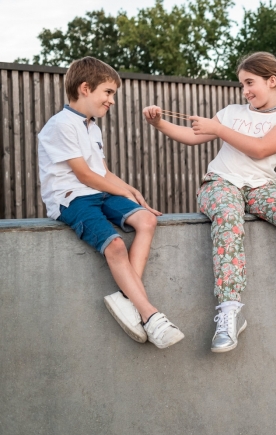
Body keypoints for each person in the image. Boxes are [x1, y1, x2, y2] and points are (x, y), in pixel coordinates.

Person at [144, 52, 276, 354]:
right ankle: (230, 309)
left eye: (250, 83)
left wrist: (218, 129)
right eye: (242, 84)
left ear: (272, 81)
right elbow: (192, 137)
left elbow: (260, 150)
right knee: (228, 215)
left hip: (261, 188)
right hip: (220, 182)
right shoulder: (231, 112)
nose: (245, 91)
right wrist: (160, 124)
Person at [38, 57, 184, 349]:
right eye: (108, 92)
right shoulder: (61, 125)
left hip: (96, 191)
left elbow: (102, 172)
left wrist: (133, 192)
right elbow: (83, 175)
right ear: (84, 88)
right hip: (70, 198)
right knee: (115, 245)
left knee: (146, 219)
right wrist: (125, 194)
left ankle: (124, 298)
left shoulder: (92, 127)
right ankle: (150, 315)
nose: (112, 100)